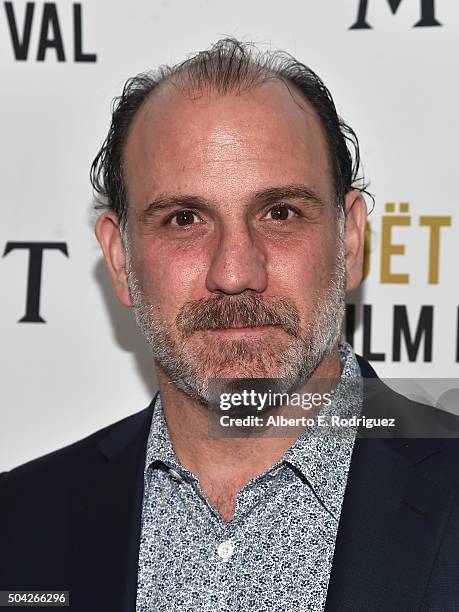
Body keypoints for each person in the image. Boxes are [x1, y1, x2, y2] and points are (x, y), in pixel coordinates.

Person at [1, 38, 459, 612]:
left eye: (280, 213)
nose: (235, 271)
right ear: (121, 260)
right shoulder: (20, 525)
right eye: (184, 219)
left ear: (350, 239)